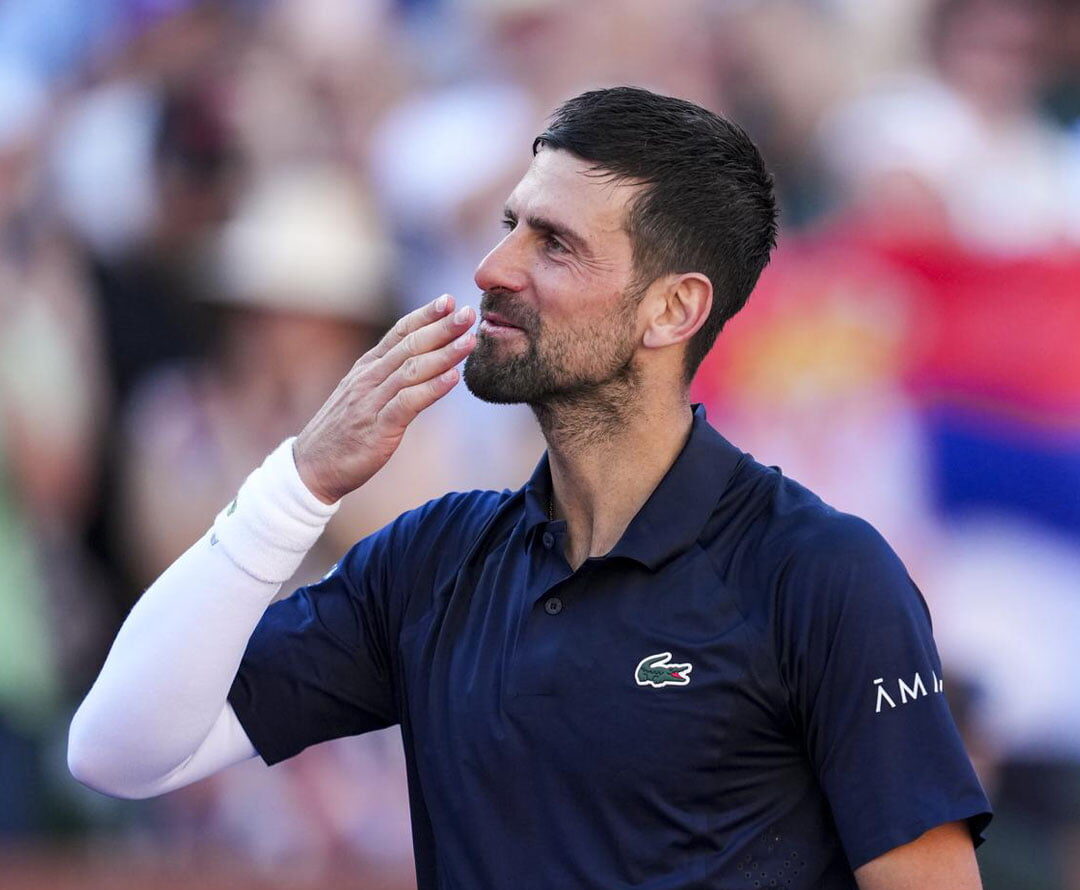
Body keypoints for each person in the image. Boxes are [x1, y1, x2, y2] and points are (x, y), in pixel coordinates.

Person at [69, 87, 992, 889]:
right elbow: (119, 750)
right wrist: (299, 483)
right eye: (510, 224)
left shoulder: (821, 573)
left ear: (674, 309)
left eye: (553, 244)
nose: (493, 268)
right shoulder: (432, 562)